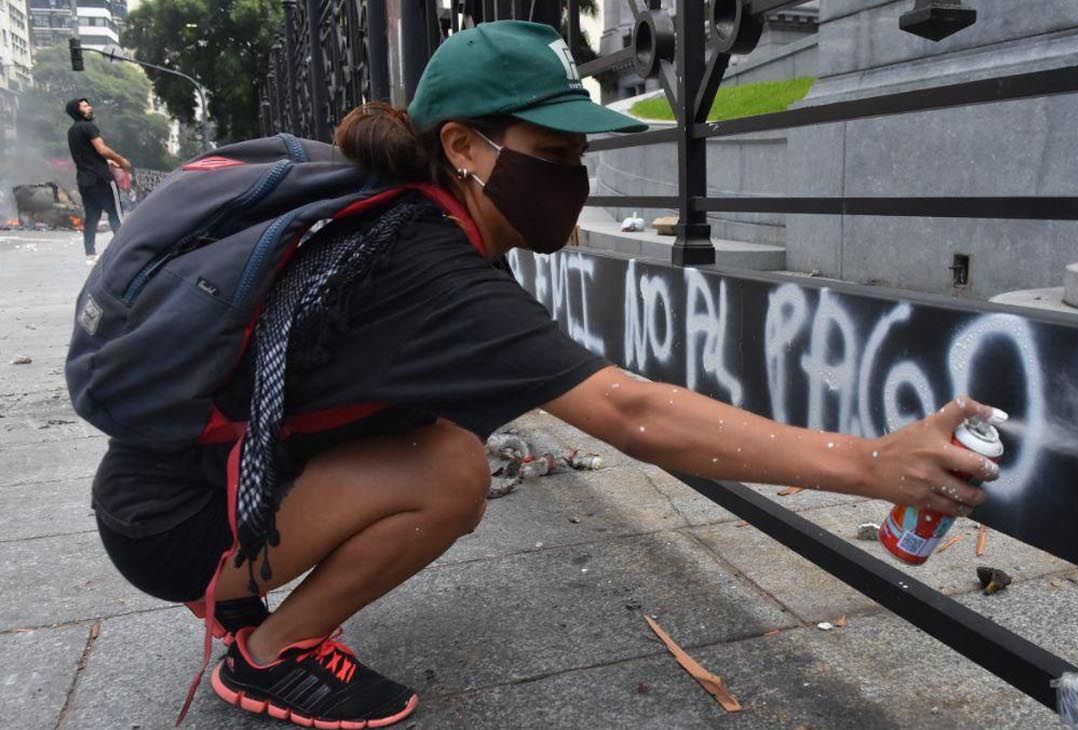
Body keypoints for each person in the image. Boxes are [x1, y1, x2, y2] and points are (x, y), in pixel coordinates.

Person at [89, 21, 1004, 728]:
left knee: (447, 443)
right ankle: (266, 648)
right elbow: (627, 407)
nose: (577, 181)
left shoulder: (418, 224)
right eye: (555, 156)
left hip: (174, 483)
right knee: (448, 473)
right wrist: (870, 465)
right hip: (171, 521)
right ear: (463, 148)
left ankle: (243, 590)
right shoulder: (426, 262)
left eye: (581, 157)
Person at [65, 97, 130, 262]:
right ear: (78, 110)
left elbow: (87, 155)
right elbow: (101, 149)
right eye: (85, 106)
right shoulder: (89, 127)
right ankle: (122, 250)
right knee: (116, 214)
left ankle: (90, 253)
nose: (89, 108)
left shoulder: (72, 131)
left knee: (92, 216)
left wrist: (107, 161)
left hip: (84, 180)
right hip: (101, 178)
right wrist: (122, 161)